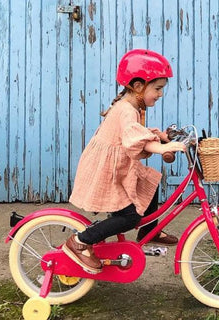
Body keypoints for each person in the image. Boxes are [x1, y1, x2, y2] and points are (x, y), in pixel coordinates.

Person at [63, 49, 186, 274]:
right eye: (157, 89)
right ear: (138, 86)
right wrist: (162, 147)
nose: (160, 95)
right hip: (107, 171)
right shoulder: (126, 110)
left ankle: (149, 231)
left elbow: (133, 133)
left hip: (117, 166)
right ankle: (80, 241)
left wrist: (159, 136)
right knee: (128, 217)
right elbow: (133, 137)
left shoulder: (131, 106)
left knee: (149, 184)